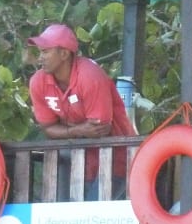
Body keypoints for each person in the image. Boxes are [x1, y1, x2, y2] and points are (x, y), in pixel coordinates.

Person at [27, 23, 136, 199]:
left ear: (64, 53)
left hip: (115, 160)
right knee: (64, 219)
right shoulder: (37, 82)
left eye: (46, 51)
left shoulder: (90, 75)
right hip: (75, 162)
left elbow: (99, 130)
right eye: (40, 52)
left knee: (94, 218)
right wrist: (77, 130)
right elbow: (48, 128)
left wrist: (64, 129)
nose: (41, 58)